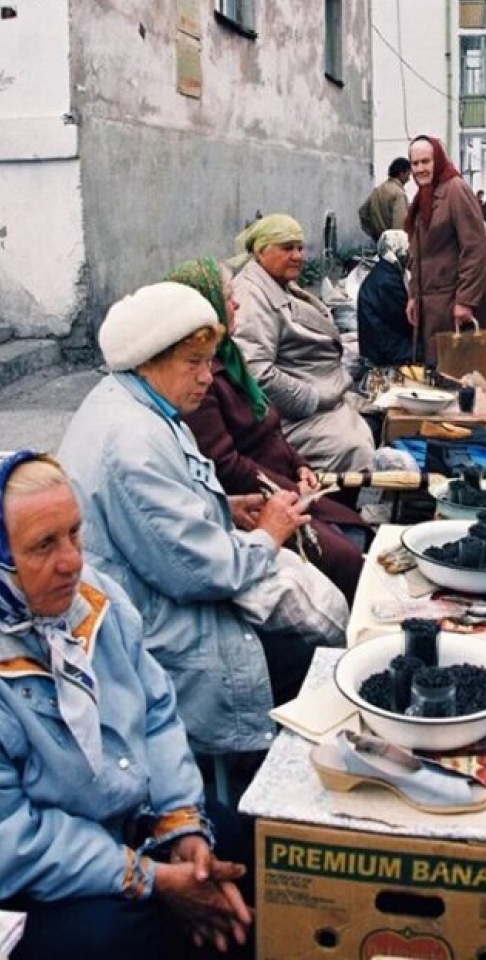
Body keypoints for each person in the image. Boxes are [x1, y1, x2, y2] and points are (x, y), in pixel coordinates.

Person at [0, 452, 253, 960]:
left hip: (110, 819)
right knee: (121, 934)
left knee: (227, 839)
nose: (72, 561)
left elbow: (155, 710)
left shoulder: (88, 598)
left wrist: (180, 823)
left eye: (74, 533)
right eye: (43, 545)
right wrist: (148, 877)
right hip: (2, 880)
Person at [58, 281, 348, 758]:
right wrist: (270, 534)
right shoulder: (133, 441)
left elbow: (158, 518)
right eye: (193, 363)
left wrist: (223, 507)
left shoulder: (136, 403)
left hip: (148, 595)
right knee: (315, 661)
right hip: (151, 629)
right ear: (148, 361)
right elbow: (203, 572)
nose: (206, 377)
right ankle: (266, 776)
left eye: (208, 362)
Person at [166, 257, 365, 603]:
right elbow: (226, 466)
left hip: (281, 482)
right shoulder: (202, 381)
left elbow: (271, 427)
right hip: (256, 500)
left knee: (358, 530)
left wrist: (301, 465)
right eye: (228, 297)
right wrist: (292, 490)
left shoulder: (231, 356)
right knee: (346, 556)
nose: (236, 304)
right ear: (206, 306)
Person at [232, 215, 376, 472]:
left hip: (322, 398)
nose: (298, 256)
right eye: (288, 248)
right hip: (290, 415)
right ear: (261, 252)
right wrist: (312, 398)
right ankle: (329, 498)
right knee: (354, 450)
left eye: (300, 248)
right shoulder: (251, 296)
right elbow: (255, 372)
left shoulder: (278, 284)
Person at [404, 136, 486, 366]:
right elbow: (418, 255)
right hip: (433, 303)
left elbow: (475, 249)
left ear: (438, 160)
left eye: (425, 161)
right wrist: (413, 296)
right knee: (441, 368)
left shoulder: (455, 189)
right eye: (415, 163)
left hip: (452, 301)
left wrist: (466, 301)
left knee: (463, 371)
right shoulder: (424, 197)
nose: (420, 168)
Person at [356, 229, 414, 368]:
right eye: (407, 250)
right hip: (385, 349)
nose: (410, 254)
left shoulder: (387, 270)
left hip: (381, 343)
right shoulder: (387, 280)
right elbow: (405, 318)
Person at [358, 158, 412, 242]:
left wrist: (374, 234)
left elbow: (363, 212)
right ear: (402, 173)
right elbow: (400, 225)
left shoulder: (378, 190)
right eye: (408, 174)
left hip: (381, 242)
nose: (409, 179)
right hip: (395, 243)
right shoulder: (398, 194)